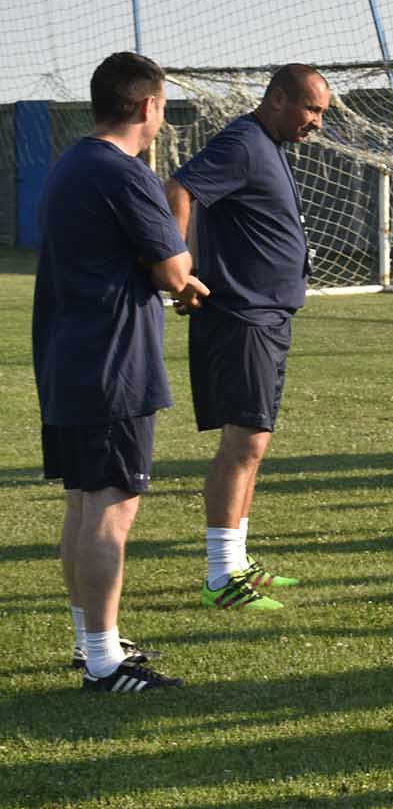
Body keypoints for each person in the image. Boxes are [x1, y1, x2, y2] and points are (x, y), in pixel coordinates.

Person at [37, 52, 209, 691]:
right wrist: (184, 280)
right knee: (111, 507)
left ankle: (92, 641)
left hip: (67, 358)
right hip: (112, 363)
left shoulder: (70, 164)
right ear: (147, 105)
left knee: (84, 503)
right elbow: (173, 266)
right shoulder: (124, 172)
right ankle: (105, 663)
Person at [166, 64, 331, 611]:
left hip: (269, 315)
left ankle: (237, 562)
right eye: (312, 109)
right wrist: (180, 268)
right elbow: (180, 189)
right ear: (278, 98)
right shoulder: (242, 141)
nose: (317, 122)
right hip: (243, 316)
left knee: (253, 443)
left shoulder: (269, 145)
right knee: (244, 443)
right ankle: (220, 577)